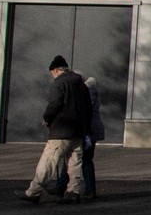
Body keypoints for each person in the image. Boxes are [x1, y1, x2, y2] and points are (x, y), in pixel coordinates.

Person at [26, 57, 101, 204]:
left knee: (48, 161)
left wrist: (47, 118)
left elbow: (54, 104)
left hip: (61, 130)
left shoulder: (59, 83)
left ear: (55, 70)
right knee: (74, 162)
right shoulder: (81, 85)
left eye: (52, 73)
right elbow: (88, 107)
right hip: (78, 131)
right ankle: (73, 192)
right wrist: (85, 128)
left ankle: (33, 192)